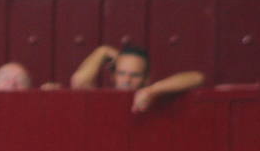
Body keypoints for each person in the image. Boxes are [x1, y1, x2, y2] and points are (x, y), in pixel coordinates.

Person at [69, 43, 204, 112]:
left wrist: (151, 91)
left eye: (135, 75)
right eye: (122, 73)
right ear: (113, 76)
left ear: (146, 79)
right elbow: (79, 82)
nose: (127, 80)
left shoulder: (153, 93)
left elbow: (197, 78)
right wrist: (102, 51)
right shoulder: (101, 99)